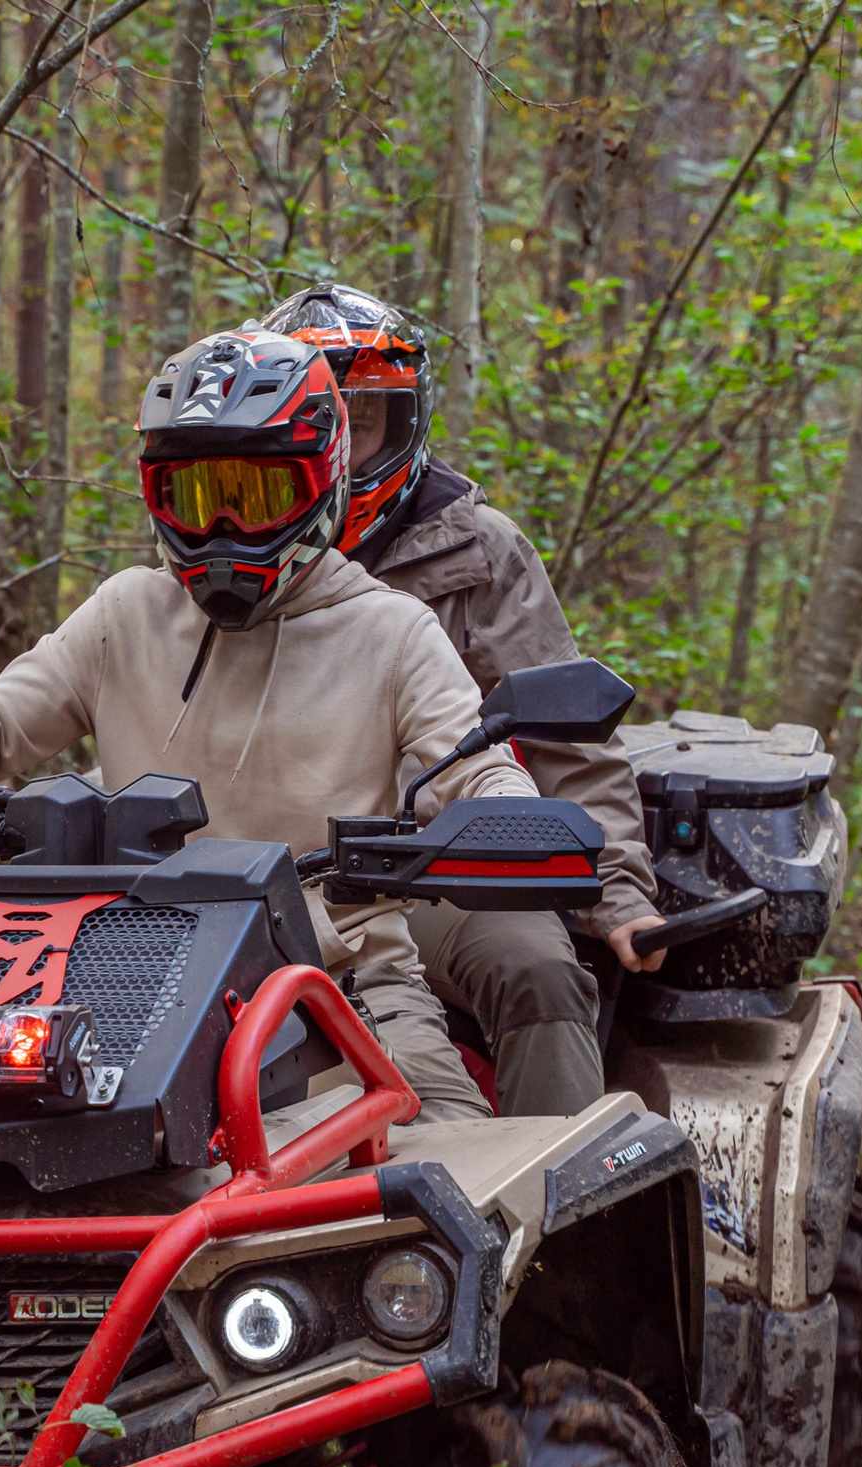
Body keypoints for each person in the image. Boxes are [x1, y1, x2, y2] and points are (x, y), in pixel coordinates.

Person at [0, 324, 540, 1123]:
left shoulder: (394, 633)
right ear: (157, 496)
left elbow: (475, 764)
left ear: (322, 479)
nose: (224, 529)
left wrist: (510, 817)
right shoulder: (126, 612)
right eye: (196, 498)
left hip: (345, 988)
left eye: (257, 494)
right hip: (117, 979)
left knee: (461, 1174)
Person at [262, 283, 665, 1117]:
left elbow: (567, 740)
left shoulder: (477, 551)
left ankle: (560, 1218)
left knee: (540, 971)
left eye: (364, 420)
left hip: (436, 871)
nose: (343, 445)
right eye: (324, 420)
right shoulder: (227, 548)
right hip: (263, 867)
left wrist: (620, 891)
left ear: (402, 423)